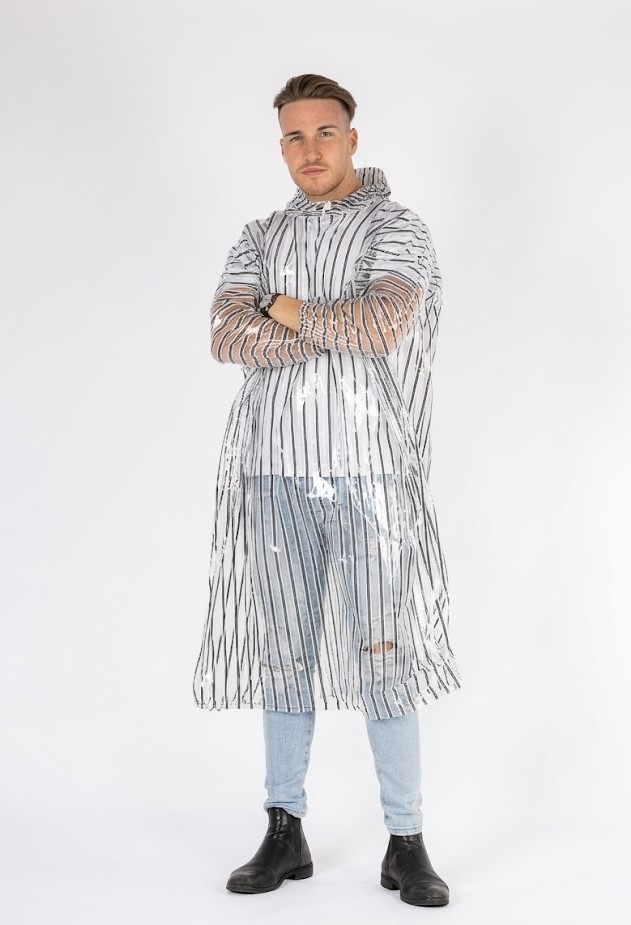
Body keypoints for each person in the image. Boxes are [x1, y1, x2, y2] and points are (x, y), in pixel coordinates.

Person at [193, 73, 461, 907]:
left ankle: (406, 841)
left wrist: (279, 306)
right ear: (280, 145)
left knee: (384, 652)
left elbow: (381, 324)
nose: (308, 150)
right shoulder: (258, 232)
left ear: (351, 137)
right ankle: (285, 828)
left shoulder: (395, 226)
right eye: (293, 136)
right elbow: (224, 336)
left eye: (323, 132)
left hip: (370, 469)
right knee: (283, 654)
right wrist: (322, 323)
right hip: (272, 466)